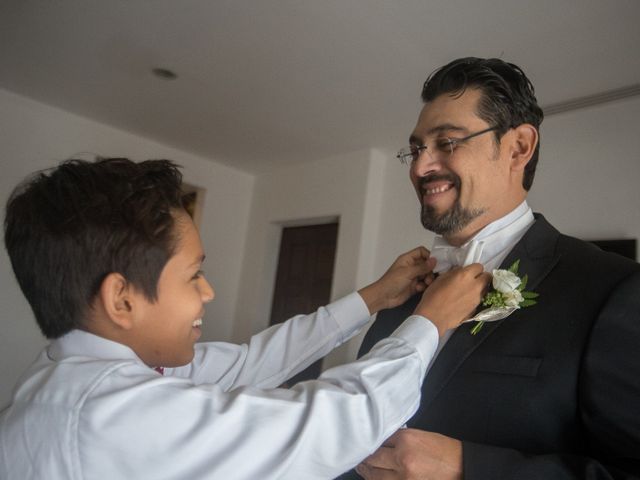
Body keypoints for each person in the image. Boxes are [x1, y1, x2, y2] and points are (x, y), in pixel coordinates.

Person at [0, 157, 489, 479]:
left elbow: (250, 362)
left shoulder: (72, 380)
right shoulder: (111, 417)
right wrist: (430, 321)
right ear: (121, 300)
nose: (208, 292)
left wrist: (374, 298)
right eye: (194, 276)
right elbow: (333, 423)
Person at [342, 57, 640, 480]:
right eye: (416, 148)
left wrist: (466, 468)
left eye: (446, 143)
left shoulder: (612, 291)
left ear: (518, 147)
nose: (420, 167)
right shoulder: (402, 292)